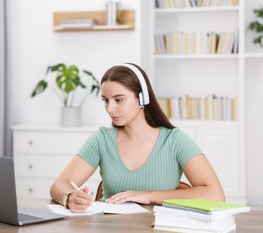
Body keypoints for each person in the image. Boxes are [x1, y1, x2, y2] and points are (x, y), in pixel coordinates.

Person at [50, 63, 225, 213]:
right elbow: (59, 185)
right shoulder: (102, 139)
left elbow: (215, 195)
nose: (110, 108)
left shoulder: (175, 141)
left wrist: (149, 196)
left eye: (118, 100)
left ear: (142, 98)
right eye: (105, 100)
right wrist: (69, 197)